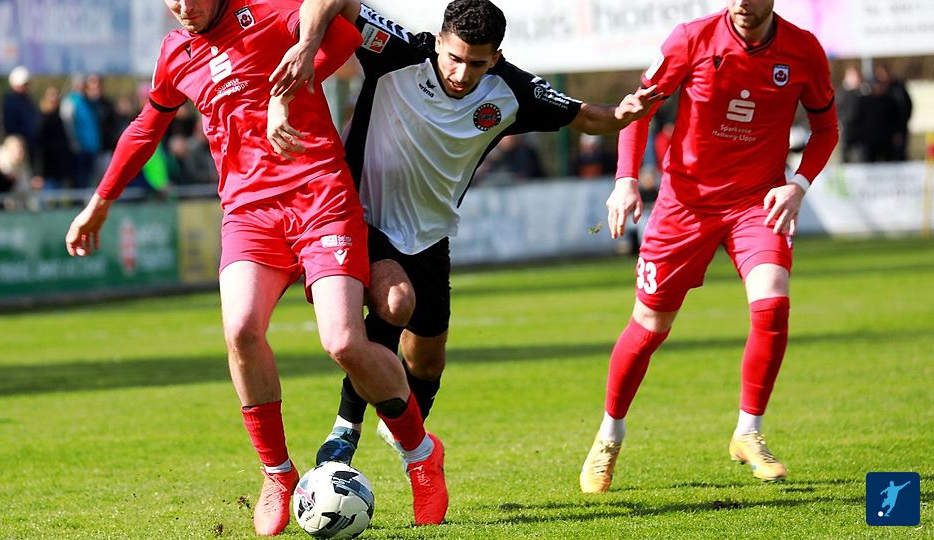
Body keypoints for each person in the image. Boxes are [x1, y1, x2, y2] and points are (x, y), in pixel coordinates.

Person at [64, 0, 446, 535]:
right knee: (241, 331)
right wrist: (99, 204)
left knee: (342, 342)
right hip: (248, 213)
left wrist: (293, 75)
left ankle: (421, 454)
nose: (183, 8)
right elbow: (145, 128)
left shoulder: (269, 12)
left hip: (319, 196)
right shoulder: (175, 53)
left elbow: (344, 33)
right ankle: (277, 472)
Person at [268, 0, 659, 477]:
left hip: (430, 236)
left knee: (427, 361)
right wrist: (307, 45)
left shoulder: (511, 90)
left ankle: (403, 428)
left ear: (495, 57)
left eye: (476, 63)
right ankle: (345, 429)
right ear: (438, 42)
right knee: (395, 302)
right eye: (454, 57)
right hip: (357, 218)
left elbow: (587, 117)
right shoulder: (398, 52)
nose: (461, 72)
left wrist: (623, 113)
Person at [579, 0, 838, 493]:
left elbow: (827, 128)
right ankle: (609, 434)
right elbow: (638, 110)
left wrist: (798, 185)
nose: (741, 3)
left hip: (757, 201)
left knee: (773, 302)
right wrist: (626, 179)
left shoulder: (803, 50)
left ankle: (749, 431)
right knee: (650, 325)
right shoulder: (691, 38)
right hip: (685, 204)